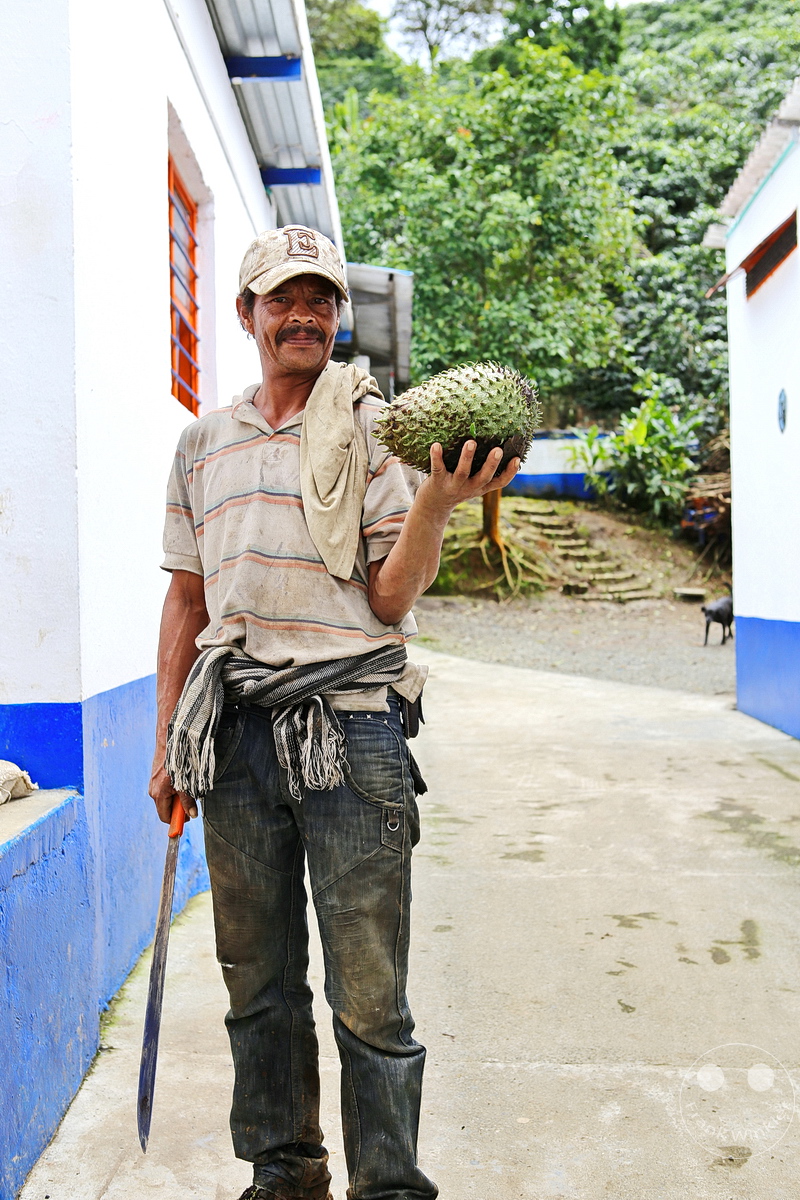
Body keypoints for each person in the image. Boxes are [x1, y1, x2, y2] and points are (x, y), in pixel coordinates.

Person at [148, 225, 519, 1200]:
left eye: (319, 301)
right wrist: (164, 751)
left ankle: (388, 1184)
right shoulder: (200, 446)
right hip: (230, 736)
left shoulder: (372, 430)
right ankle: (285, 1173)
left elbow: (390, 599)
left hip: (351, 730)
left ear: (334, 318)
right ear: (248, 315)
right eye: (282, 299)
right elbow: (185, 603)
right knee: (257, 986)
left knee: (367, 994)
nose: (303, 315)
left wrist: (436, 501)